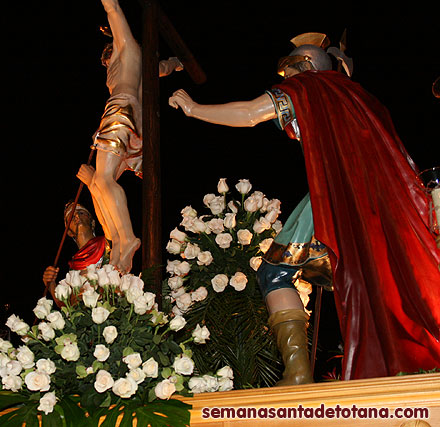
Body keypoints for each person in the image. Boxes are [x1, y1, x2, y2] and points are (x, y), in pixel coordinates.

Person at [168, 32, 440, 384]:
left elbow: (251, 113)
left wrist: (194, 109)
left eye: (289, 72)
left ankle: (297, 372)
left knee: (275, 271)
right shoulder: (363, 98)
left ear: (307, 66)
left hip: (339, 194)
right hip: (386, 203)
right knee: (378, 279)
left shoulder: (311, 87)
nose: (286, 82)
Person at [77, 0, 183, 274]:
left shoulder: (127, 48)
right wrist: (176, 62)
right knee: (99, 182)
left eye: (105, 57)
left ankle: (126, 238)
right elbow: (164, 67)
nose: (105, 64)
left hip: (121, 109)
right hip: (134, 120)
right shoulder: (145, 68)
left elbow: (112, 9)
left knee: (102, 178)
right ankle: (118, 239)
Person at [42, 202, 109, 305]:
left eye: (81, 213)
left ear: (93, 223)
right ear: (69, 232)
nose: (77, 216)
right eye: (72, 217)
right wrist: (51, 286)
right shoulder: (74, 269)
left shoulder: (109, 245)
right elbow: (69, 308)